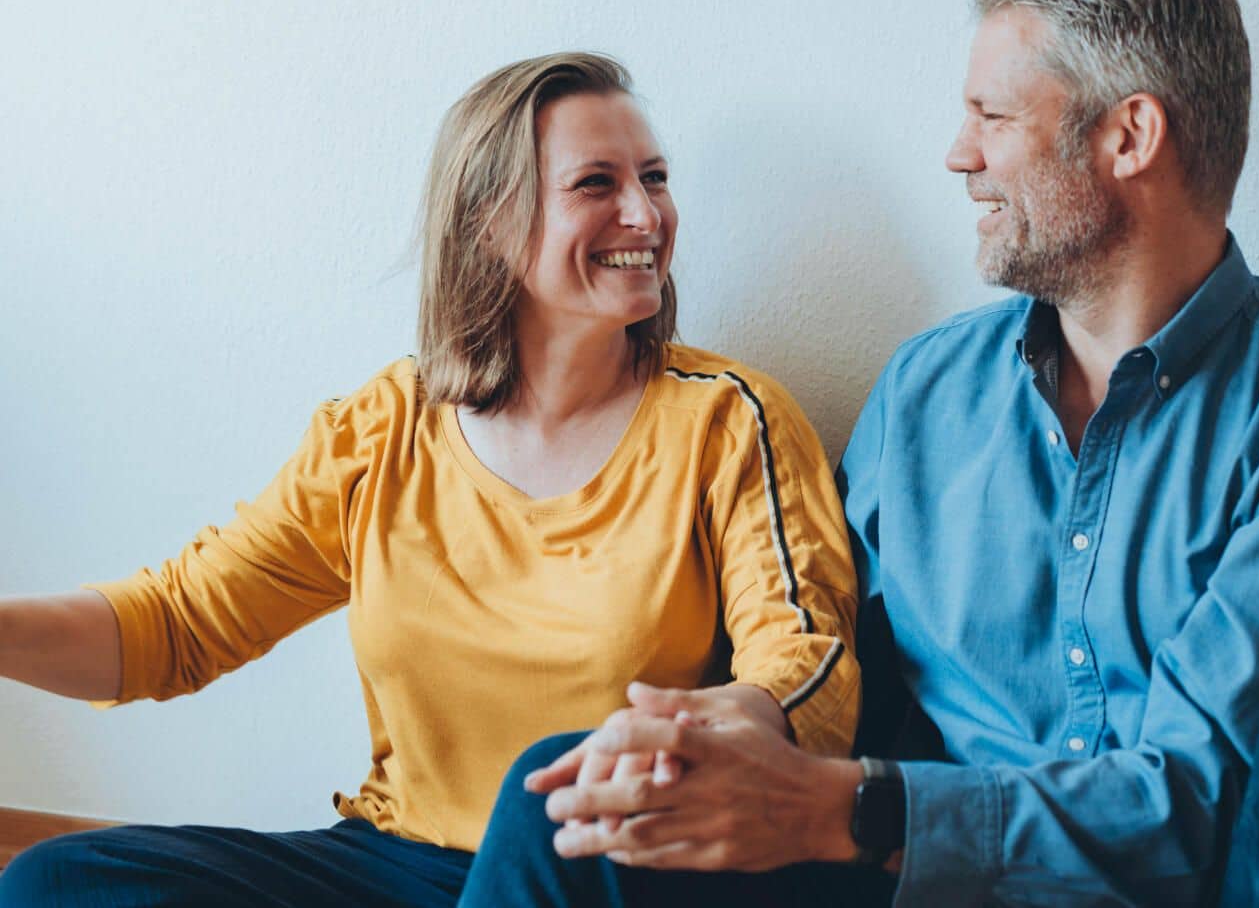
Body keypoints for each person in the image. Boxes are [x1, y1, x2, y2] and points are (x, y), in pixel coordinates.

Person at [517, 0, 1259, 908]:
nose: (960, 153)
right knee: (570, 792)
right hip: (919, 887)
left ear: (1129, 137)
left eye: (992, 116)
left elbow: (1200, 803)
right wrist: (752, 715)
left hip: (1169, 886)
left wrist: (862, 812)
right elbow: (834, 667)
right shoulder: (926, 392)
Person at [0, 52, 860, 906]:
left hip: (600, 864)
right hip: (402, 861)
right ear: (490, 223)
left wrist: (746, 715)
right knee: (57, 879)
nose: (645, 213)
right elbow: (180, 622)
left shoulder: (726, 421)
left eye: (655, 178)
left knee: (554, 781)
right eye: (597, 183)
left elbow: (806, 658)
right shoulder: (385, 430)